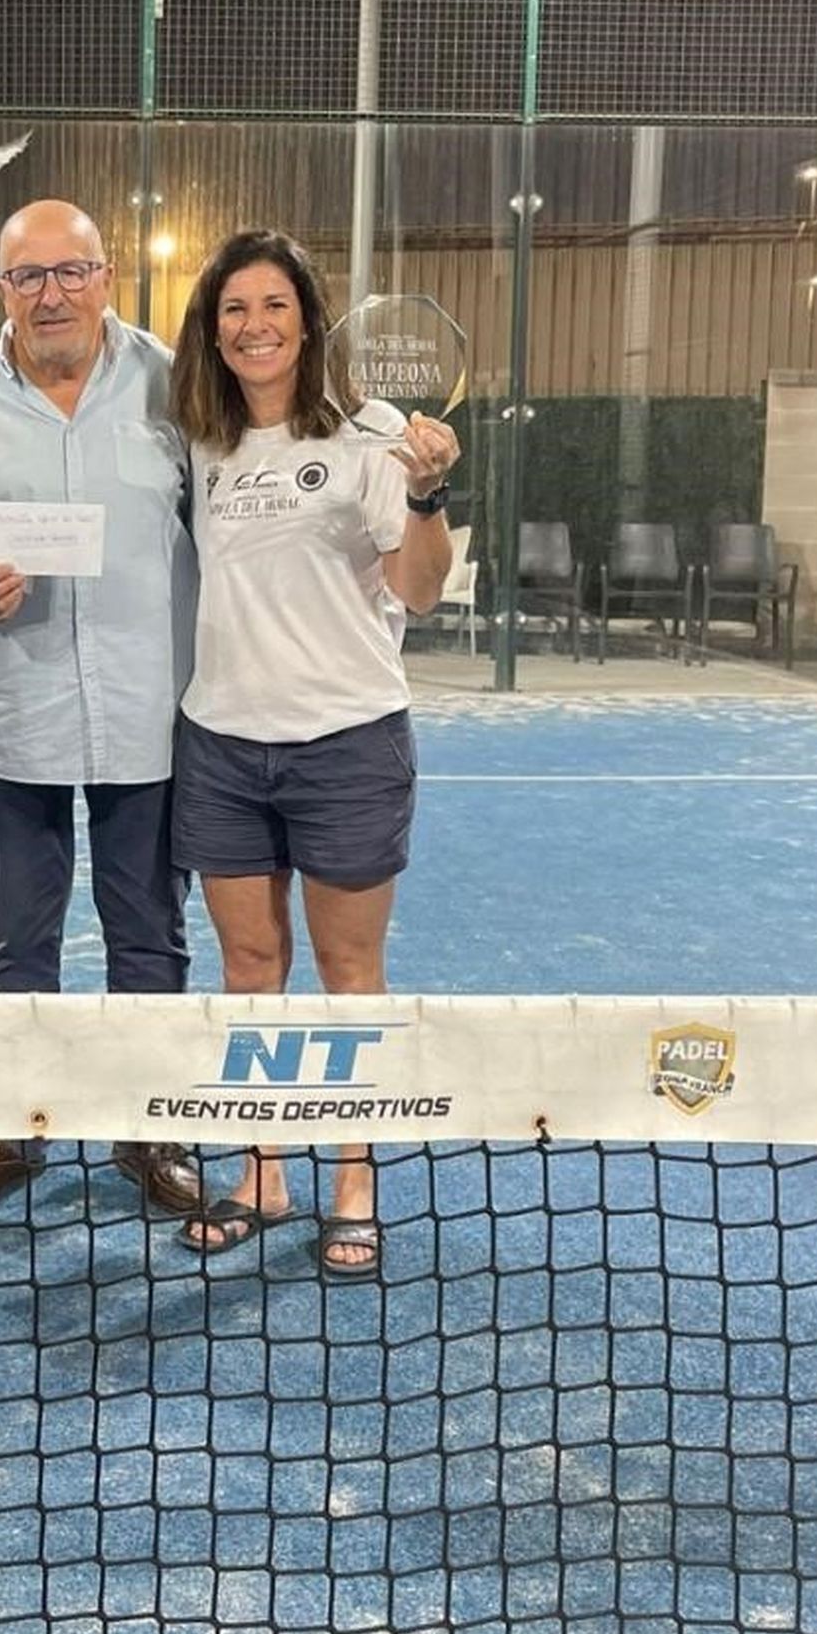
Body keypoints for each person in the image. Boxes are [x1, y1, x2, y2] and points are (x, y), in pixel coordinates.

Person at [167, 228, 460, 1277]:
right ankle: (264, 1168)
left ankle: (352, 1181)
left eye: (273, 306)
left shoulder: (377, 437)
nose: (253, 326)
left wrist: (426, 496)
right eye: (233, 308)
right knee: (250, 968)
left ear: (308, 320)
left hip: (347, 744)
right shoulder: (198, 438)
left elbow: (418, 591)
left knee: (347, 971)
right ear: (213, 329)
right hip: (221, 747)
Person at [0, 197, 201, 1220]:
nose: (51, 295)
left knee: (149, 939)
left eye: (69, 273)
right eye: (28, 277)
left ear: (105, 276)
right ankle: (8, 1123)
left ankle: (149, 1126)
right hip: (18, 716)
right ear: (0, 291)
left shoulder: (179, 382)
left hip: (151, 721)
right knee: (15, 941)